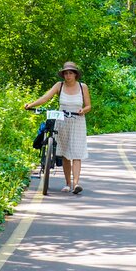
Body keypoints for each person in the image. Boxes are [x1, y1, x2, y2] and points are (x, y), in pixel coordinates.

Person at [24, 61, 91, 194]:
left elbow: (89, 106)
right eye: (66, 73)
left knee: (77, 154)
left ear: (75, 74)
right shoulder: (59, 86)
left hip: (77, 121)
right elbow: (45, 98)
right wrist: (31, 104)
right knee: (65, 154)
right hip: (62, 121)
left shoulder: (83, 87)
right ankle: (67, 183)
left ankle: (76, 184)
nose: (68, 76)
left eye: (70, 73)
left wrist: (83, 110)